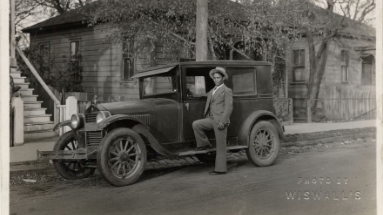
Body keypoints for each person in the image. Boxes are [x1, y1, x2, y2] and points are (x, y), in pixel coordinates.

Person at [192, 67, 233, 175]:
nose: (216, 79)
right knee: (196, 124)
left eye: (218, 77)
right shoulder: (212, 90)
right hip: (211, 119)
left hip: (220, 121)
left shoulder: (226, 90)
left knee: (221, 146)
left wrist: (222, 122)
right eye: (214, 78)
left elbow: (229, 108)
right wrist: (192, 93)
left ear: (223, 78)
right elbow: (207, 97)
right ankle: (204, 144)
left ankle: (220, 169)